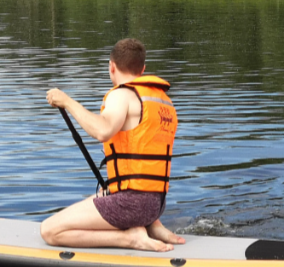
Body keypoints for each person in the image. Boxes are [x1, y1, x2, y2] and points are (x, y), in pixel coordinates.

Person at [41, 38, 185, 252]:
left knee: (50, 231)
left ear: (111, 66)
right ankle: (152, 225)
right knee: (100, 195)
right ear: (143, 68)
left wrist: (67, 101)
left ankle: (131, 237)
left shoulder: (122, 95)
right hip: (156, 203)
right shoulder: (162, 100)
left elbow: (103, 130)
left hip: (133, 204)